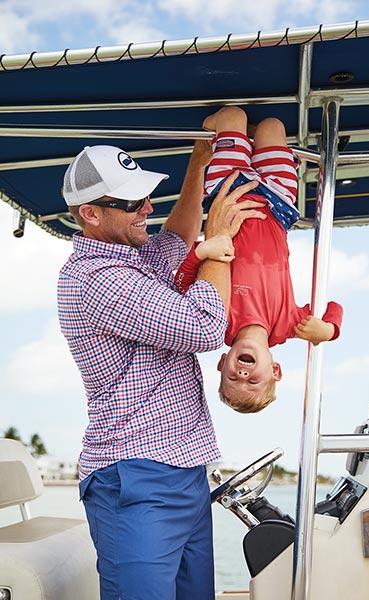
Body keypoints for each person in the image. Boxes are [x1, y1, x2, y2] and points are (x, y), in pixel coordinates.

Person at [57, 142, 265, 600]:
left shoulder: (132, 255)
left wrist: (198, 165)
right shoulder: (99, 278)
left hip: (186, 469)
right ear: (90, 213)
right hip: (135, 479)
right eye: (132, 203)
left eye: (146, 196)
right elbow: (206, 327)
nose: (147, 209)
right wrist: (219, 246)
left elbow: (176, 236)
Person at [175, 106, 343, 414]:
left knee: (232, 116)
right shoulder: (291, 325)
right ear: (275, 370)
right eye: (252, 382)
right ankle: (254, 141)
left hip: (230, 190)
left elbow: (181, 283)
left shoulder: (215, 323)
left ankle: (218, 129)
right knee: (272, 126)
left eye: (231, 378)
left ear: (223, 362)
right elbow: (334, 309)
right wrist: (328, 332)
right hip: (278, 205)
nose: (242, 375)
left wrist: (201, 251)